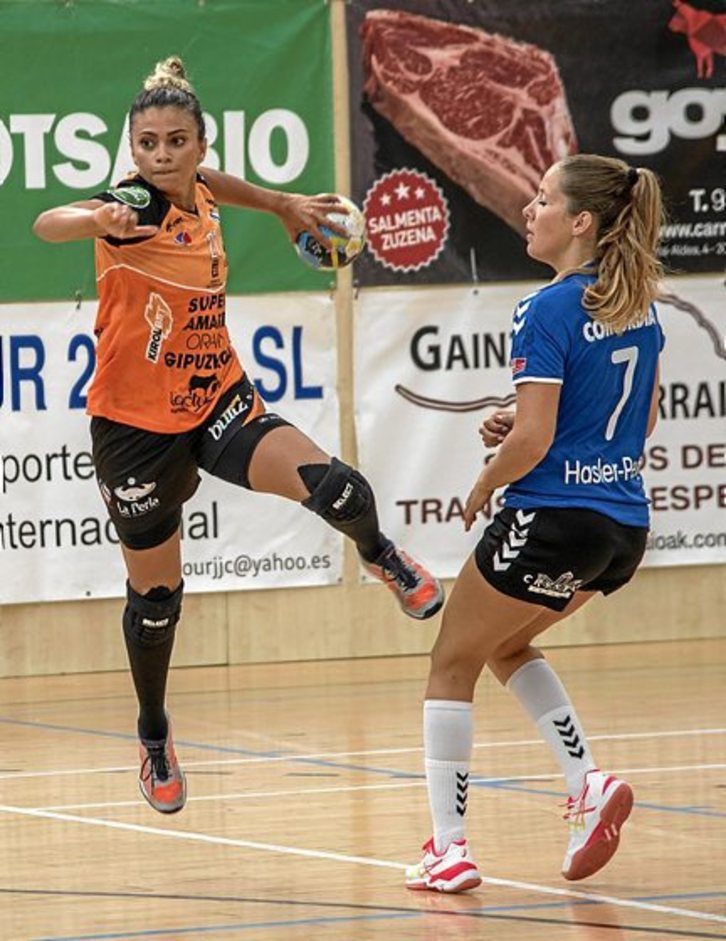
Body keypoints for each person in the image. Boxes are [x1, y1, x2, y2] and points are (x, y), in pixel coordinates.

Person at [33, 56, 443, 815]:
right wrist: (94, 221)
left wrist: (282, 203)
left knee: (340, 489)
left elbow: (216, 185)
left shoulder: (200, 190)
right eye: (147, 144)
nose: (161, 156)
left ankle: (380, 554)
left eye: (176, 142)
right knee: (156, 601)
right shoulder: (133, 205)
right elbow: (46, 222)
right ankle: (154, 733)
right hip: (135, 433)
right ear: (132, 149)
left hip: (217, 399)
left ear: (200, 145)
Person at [405, 154, 665, 893]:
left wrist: (486, 480)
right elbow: (642, 419)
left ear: (580, 221)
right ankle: (588, 782)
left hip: (551, 515)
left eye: (544, 199)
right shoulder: (638, 306)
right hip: (621, 530)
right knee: (504, 643)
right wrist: (522, 420)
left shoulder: (545, 307)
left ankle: (449, 848)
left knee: (451, 661)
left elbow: (534, 441)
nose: (529, 208)